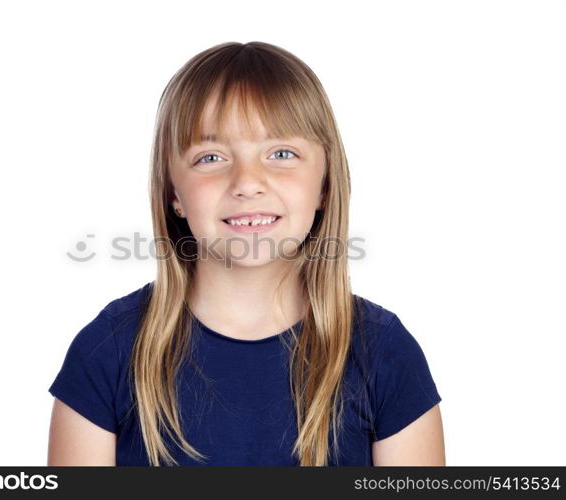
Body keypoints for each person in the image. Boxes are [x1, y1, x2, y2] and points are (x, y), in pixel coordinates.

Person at [47, 41, 445, 466]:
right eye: (211, 157)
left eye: (282, 154)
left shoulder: (385, 354)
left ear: (325, 185)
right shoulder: (107, 353)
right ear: (173, 193)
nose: (247, 182)